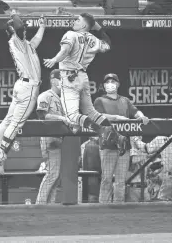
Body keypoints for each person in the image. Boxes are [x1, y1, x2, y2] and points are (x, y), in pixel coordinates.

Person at [43, 13, 128, 156]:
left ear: (83, 25)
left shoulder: (71, 34)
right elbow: (107, 44)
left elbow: (65, 51)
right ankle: (116, 134)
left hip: (69, 76)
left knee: (71, 116)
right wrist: (98, 28)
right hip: (83, 76)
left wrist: (54, 59)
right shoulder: (93, 39)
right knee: (91, 112)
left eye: (78, 20)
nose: (75, 21)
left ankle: (103, 131)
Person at [0, 15, 46, 174]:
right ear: (12, 30)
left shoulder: (24, 45)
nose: (25, 29)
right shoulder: (16, 39)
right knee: (16, 123)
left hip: (22, 84)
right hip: (29, 87)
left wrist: (42, 26)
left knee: (8, 120)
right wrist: (14, 15)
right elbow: (18, 27)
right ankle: (1, 153)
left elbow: (35, 41)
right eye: (22, 28)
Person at [93, 73, 149, 203]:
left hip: (124, 146)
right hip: (108, 144)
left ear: (118, 84)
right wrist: (117, 118)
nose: (110, 84)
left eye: (113, 81)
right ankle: (103, 207)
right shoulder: (100, 100)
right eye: (107, 82)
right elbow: (98, 115)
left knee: (120, 180)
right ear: (104, 85)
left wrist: (142, 116)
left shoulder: (125, 100)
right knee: (106, 179)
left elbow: (136, 111)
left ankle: (118, 207)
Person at [35, 70, 71, 204]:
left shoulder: (62, 99)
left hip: (59, 139)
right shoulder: (46, 96)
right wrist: (61, 118)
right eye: (62, 79)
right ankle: (40, 204)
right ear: (54, 81)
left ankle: (50, 206)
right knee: (52, 174)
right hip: (49, 138)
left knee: (56, 176)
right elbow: (42, 116)